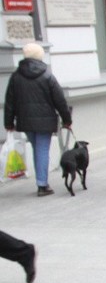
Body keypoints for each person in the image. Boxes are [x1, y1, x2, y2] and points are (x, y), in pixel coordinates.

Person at [3, 41, 72, 197]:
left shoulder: (16, 76)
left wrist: (8, 122)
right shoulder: (47, 75)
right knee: (42, 150)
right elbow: (59, 100)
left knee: (36, 149)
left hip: (25, 121)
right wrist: (66, 119)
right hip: (45, 120)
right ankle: (42, 184)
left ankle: (41, 181)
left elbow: (10, 101)